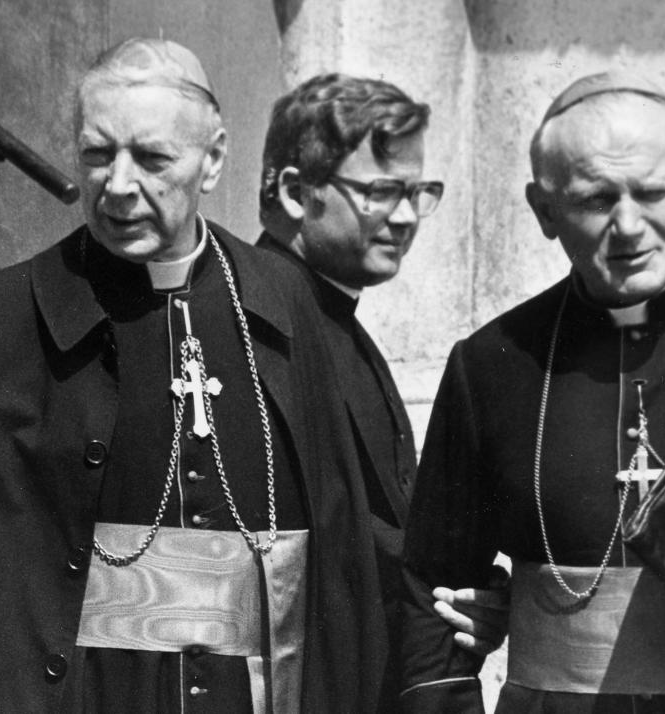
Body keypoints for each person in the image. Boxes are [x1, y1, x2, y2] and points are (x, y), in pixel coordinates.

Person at [0, 37, 387, 713]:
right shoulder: (1, 317)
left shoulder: (281, 301)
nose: (118, 186)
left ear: (213, 159)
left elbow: (346, 532)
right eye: (97, 155)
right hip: (92, 689)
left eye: (152, 159)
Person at [400, 71, 665, 713]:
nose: (629, 225)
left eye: (654, 192)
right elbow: (433, 586)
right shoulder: (494, 362)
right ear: (544, 210)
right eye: (596, 198)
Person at [255, 72, 443, 711]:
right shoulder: (259, 320)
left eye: (418, 192)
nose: (408, 216)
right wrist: (445, 583)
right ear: (294, 192)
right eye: (382, 191)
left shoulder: (324, 311)